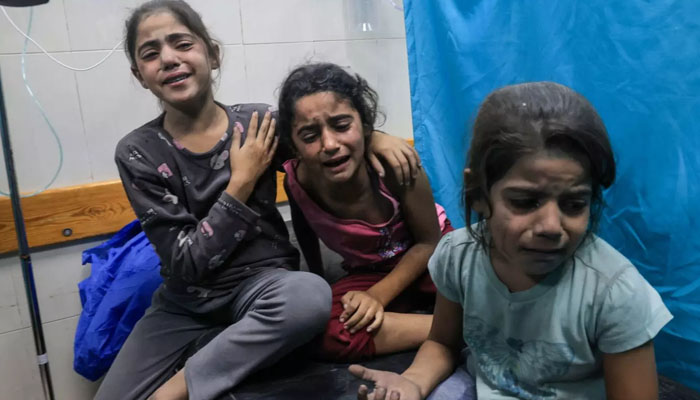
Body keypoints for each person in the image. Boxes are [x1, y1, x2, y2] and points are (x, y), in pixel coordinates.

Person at [95, 2, 419, 399]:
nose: (168, 58)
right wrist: (242, 182)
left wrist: (375, 136)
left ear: (211, 53)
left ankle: (180, 389)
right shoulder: (138, 152)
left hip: (266, 286)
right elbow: (187, 262)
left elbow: (323, 137)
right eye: (150, 53)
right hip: (186, 302)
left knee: (310, 297)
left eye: (182, 43)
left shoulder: (260, 123)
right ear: (139, 75)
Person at [349, 81, 673, 400]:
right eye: (525, 202)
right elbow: (443, 343)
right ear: (477, 192)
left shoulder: (614, 293)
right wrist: (413, 382)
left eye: (574, 205)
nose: (550, 226)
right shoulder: (458, 256)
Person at [277, 63, 452, 362]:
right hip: (370, 272)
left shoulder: (396, 168)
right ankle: (451, 326)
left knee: (484, 286)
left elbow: (429, 243)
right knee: (320, 328)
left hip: (429, 259)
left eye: (342, 126)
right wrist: (319, 281)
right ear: (293, 144)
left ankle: (452, 319)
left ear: (366, 125)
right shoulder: (297, 180)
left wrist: (377, 297)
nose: (330, 144)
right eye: (309, 136)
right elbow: (304, 226)